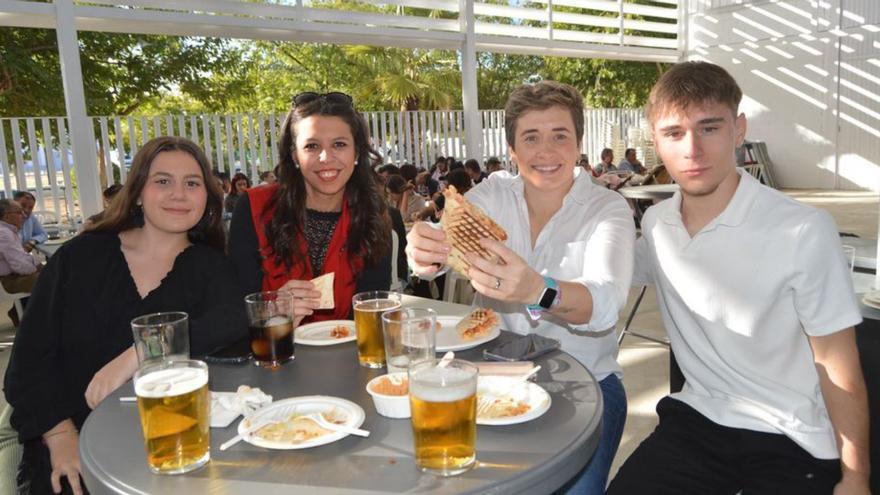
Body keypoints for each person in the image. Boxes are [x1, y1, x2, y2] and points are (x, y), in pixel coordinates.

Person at [607, 62, 870, 495]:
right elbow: (598, 270)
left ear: (738, 129)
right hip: (697, 422)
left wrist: (856, 476)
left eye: (709, 128)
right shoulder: (657, 225)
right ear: (656, 141)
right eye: (674, 133)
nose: (692, 149)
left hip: (791, 437)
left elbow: (839, 365)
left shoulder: (802, 229)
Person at [406, 81, 634, 493]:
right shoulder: (493, 194)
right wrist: (423, 252)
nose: (546, 152)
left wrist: (538, 289)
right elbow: (441, 247)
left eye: (559, 136)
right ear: (512, 149)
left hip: (586, 387)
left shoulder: (607, 208)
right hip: (493, 378)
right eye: (531, 138)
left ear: (578, 143)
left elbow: (605, 302)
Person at [3, 136, 248, 495]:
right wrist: (59, 434)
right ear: (136, 193)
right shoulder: (80, 257)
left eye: (192, 183)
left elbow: (233, 321)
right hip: (68, 433)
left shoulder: (210, 266)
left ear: (209, 198)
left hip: (172, 441)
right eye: (162, 181)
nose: (179, 194)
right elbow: (26, 364)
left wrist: (142, 351)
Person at [228, 91, 392, 325]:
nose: (326, 157)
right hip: (272, 354)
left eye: (339, 144)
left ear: (356, 152)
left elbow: (372, 312)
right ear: (294, 155)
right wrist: (272, 309)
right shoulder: (255, 208)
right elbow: (234, 305)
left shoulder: (373, 214)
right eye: (312, 146)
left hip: (346, 355)